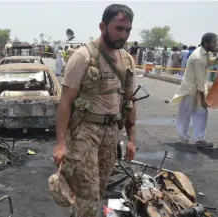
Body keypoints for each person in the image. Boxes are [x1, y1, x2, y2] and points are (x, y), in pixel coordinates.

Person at [53, 4, 136, 217]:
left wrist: (131, 138)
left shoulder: (127, 61)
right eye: (118, 28)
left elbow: (129, 100)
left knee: (98, 190)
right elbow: (65, 103)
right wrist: (61, 144)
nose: (123, 35)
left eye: (127, 30)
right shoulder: (83, 57)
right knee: (88, 193)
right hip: (84, 132)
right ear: (103, 26)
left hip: (111, 133)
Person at [169, 33, 217, 148]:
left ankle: (199, 139)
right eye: (214, 42)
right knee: (185, 114)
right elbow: (200, 80)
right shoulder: (198, 57)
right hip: (190, 90)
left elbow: (209, 62)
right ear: (206, 43)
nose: (216, 44)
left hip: (198, 89)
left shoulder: (204, 53)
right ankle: (183, 138)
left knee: (202, 113)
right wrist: (203, 99)